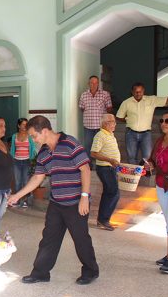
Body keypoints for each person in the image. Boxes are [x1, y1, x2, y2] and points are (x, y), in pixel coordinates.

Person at [7, 115, 99, 285]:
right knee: (49, 239)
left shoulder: (70, 143)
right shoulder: (43, 152)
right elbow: (37, 178)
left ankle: (91, 271)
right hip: (56, 203)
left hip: (75, 202)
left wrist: (84, 197)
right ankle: (41, 273)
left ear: (45, 131)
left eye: (34, 136)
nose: (33, 140)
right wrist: (17, 195)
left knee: (81, 239)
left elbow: (85, 170)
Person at [116, 83, 168, 165]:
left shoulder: (151, 100)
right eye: (136, 91)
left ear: (143, 91)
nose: (138, 93)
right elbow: (119, 116)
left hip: (146, 134)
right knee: (131, 157)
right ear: (132, 92)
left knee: (147, 157)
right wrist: (128, 120)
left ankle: (146, 175)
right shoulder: (126, 103)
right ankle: (134, 177)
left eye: (140, 91)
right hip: (131, 133)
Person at [147, 110, 168, 274]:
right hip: (161, 183)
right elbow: (152, 160)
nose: (163, 123)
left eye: (167, 121)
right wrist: (149, 165)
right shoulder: (159, 141)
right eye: (161, 121)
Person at [90, 114, 121, 231]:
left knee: (110, 193)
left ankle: (103, 220)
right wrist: (110, 160)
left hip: (111, 168)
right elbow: (93, 153)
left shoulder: (110, 134)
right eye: (112, 122)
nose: (115, 124)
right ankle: (103, 220)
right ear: (105, 123)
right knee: (113, 193)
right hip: (105, 168)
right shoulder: (100, 135)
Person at [78, 75, 112, 169]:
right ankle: (89, 166)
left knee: (100, 147)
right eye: (91, 83)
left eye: (95, 83)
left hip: (101, 127)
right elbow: (82, 108)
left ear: (98, 83)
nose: (93, 84)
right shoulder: (84, 95)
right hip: (88, 126)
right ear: (88, 84)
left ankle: (100, 166)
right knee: (88, 146)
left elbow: (109, 108)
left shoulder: (105, 94)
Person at [10, 118, 37, 208]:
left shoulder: (29, 136)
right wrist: (11, 159)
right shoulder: (14, 136)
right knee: (17, 182)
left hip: (27, 161)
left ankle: (24, 201)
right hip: (16, 161)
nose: (25, 126)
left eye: (26, 124)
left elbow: (33, 149)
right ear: (18, 125)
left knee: (25, 181)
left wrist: (33, 160)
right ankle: (17, 201)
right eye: (23, 124)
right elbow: (12, 149)